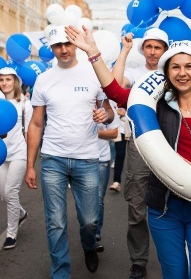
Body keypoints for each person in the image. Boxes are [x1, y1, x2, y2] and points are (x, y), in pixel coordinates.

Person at [65, 25, 191, 279]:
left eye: (189, 66)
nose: (182, 73)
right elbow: (115, 92)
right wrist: (94, 53)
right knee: (174, 274)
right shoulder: (156, 106)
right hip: (164, 208)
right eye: (175, 67)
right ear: (167, 72)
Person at [24, 25, 114, 278]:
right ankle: (60, 272)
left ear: (75, 45)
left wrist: (103, 115)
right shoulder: (43, 79)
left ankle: (89, 245)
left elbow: (108, 113)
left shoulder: (93, 74)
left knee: (89, 220)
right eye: (57, 46)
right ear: (51, 48)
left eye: (67, 44)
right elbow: (36, 123)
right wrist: (31, 165)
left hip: (87, 159)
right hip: (53, 159)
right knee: (55, 222)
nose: (63, 50)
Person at [110, 27, 169, 278]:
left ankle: (175, 256)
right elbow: (114, 84)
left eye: (158, 47)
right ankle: (139, 260)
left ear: (165, 50)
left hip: (171, 144)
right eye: (149, 47)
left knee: (174, 203)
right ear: (142, 49)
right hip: (140, 144)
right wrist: (124, 51)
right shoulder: (135, 73)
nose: (153, 52)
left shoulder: (173, 72)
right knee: (137, 206)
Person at [0, 67, 33, 249]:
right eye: (1, 80)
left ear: (15, 82)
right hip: (0, 154)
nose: (4, 83)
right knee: (3, 194)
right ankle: (21, 212)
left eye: (8, 79)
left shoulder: (24, 104)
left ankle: (11, 234)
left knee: (10, 193)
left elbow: (29, 132)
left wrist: (30, 161)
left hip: (19, 154)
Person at [96, 100, 120, 251]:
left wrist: (95, 132)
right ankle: (87, 229)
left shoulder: (106, 105)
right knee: (85, 201)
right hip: (81, 160)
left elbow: (115, 132)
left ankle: (95, 233)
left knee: (98, 198)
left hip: (101, 160)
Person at [109, 105, 130, 192]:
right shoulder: (114, 100)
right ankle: (116, 182)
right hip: (120, 131)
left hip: (134, 131)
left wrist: (126, 114)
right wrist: (116, 113)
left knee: (136, 158)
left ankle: (134, 183)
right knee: (120, 155)